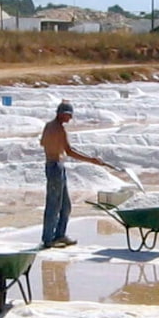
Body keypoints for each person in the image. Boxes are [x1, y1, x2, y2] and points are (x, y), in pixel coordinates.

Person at [39, 100, 107, 249]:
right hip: (55, 167)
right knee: (54, 205)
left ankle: (60, 235)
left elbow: (43, 143)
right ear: (62, 114)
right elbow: (69, 151)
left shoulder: (49, 126)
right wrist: (91, 160)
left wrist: (57, 148)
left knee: (65, 206)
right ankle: (48, 239)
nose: (70, 119)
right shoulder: (58, 129)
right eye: (69, 115)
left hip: (54, 166)